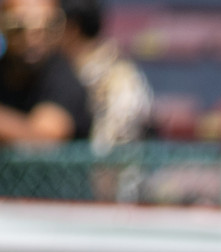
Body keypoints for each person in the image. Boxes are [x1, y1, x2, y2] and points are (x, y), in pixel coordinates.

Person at [58, 0, 149, 150]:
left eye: (53, 23)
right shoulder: (60, 70)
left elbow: (111, 152)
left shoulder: (119, 78)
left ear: (72, 27)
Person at [0, 0, 91, 145]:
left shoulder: (63, 78)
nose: (31, 38)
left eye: (48, 26)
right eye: (16, 26)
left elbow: (45, 138)